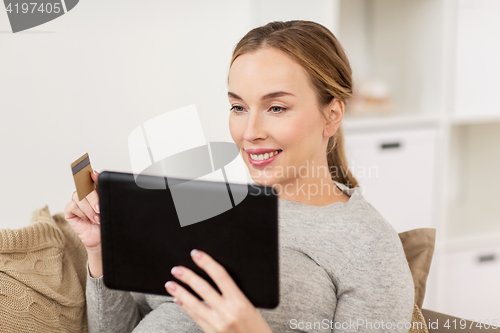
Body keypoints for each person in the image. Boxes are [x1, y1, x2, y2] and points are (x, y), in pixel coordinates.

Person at [65, 20, 414, 333]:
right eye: (238, 107)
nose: (250, 132)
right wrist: (99, 251)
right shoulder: (202, 202)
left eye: (276, 107)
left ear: (332, 115)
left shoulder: (369, 247)